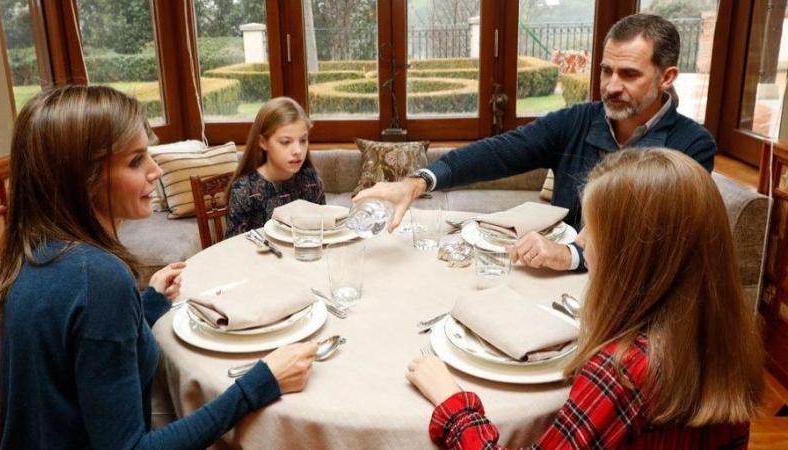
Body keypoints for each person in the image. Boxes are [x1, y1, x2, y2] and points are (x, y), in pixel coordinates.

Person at [0, 86, 318, 449]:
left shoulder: (38, 252)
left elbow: (89, 353)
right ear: (81, 178)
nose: (156, 170)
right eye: (135, 161)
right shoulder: (98, 278)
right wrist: (261, 382)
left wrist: (149, 306)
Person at [406, 148, 764, 449]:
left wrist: (455, 404)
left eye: (592, 231)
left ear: (630, 257)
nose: (579, 241)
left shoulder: (621, 374)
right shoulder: (730, 338)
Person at [354, 13, 716, 272]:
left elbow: (646, 235)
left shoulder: (692, 147)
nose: (611, 86)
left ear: (667, 77)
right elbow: (499, 152)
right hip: (550, 281)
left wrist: (570, 255)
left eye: (629, 74)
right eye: (606, 70)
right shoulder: (576, 120)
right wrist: (418, 182)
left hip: (627, 303)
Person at [225, 96, 325, 237]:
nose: (298, 150)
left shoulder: (311, 181)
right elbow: (234, 248)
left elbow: (325, 233)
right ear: (263, 142)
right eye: (285, 142)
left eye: (303, 140)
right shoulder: (244, 190)